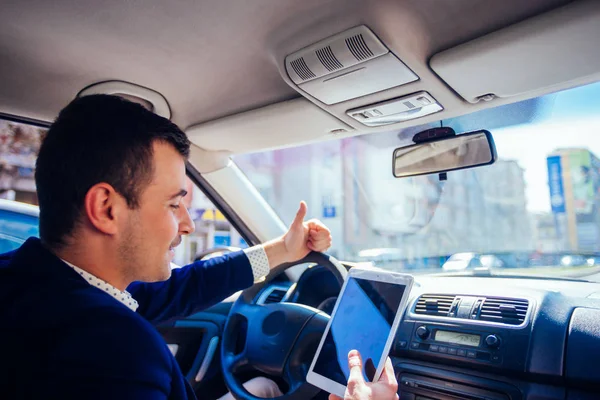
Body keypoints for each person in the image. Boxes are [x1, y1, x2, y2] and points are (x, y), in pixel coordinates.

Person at [0, 95, 397, 399]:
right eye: (174, 204)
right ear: (107, 208)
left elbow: (183, 288)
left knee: (261, 386)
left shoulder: (30, 283)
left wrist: (284, 250)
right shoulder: (115, 349)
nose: (187, 224)